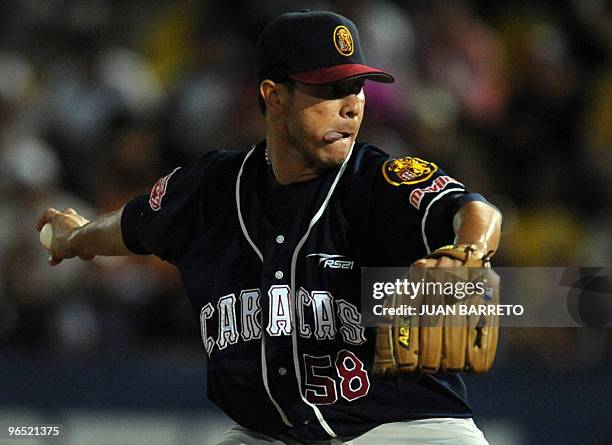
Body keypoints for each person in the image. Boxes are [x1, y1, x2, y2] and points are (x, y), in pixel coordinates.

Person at [37, 10, 501, 445]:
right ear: (274, 95)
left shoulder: (376, 180)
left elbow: (474, 210)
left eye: (357, 88)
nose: (352, 106)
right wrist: (77, 237)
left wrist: (471, 249)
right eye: (329, 90)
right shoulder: (212, 190)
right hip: (273, 435)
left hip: (402, 427)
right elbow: (136, 225)